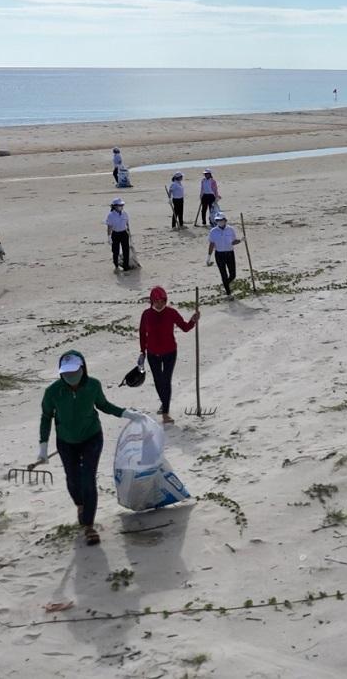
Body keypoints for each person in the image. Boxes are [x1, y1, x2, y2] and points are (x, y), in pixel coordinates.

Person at [35, 350, 148, 546]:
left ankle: (88, 525)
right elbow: (46, 417)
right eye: (66, 373)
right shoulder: (53, 392)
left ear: (83, 368)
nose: (70, 376)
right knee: (73, 479)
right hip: (66, 441)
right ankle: (80, 504)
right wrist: (43, 447)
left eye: (74, 372)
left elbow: (103, 405)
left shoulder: (93, 385)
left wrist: (127, 414)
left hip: (91, 437)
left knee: (88, 478)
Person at [138, 286, 199, 425]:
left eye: (162, 301)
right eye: (157, 301)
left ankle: (165, 412)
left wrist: (193, 320)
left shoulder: (171, 313)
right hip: (152, 353)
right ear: (152, 301)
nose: (160, 304)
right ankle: (164, 401)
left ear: (166, 300)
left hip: (170, 352)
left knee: (166, 380)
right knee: (158, 381)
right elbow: (142, 333)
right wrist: (142, 351)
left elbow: (185, 327)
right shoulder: (146, 314)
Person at [206, 212, 241, 297]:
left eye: (221, 220)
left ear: (225, 220)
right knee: (223, 274)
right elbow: (211, 244)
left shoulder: (230, 229)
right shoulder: (213, 231)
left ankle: (225, 284)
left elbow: (233, 242)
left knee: (233, 275)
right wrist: (208, 257)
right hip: (219, 255)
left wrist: (241, 240)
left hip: (230, 253)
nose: (219, 222)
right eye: (217, 220)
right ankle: (228, 293)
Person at [106, 197, 131, 272]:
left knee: (126, 250)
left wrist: (129, 233)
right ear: (114, 206)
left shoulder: (125, 213)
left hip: (124, 233)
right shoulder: (111, 215)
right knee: (115, 251)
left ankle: (126, 267)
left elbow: (127, 224)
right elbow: (109, 227)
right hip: (115, 234)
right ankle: (116, 265)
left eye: (122, 205)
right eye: (119, 205)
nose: (121, 207)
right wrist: (109, 237)